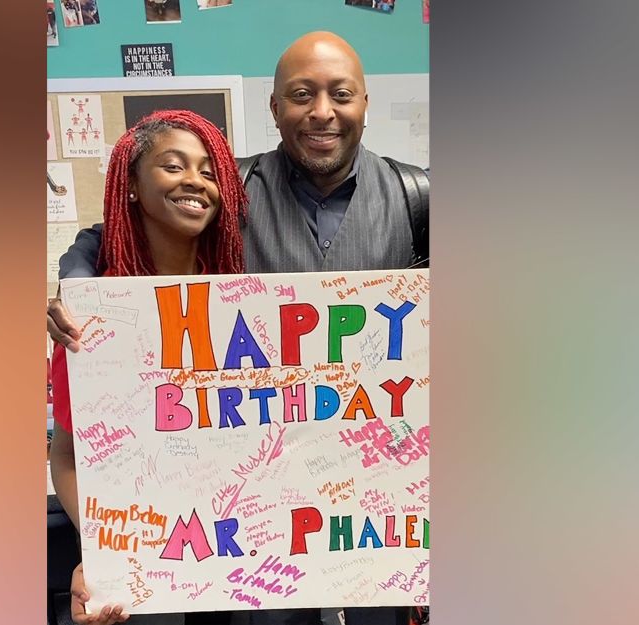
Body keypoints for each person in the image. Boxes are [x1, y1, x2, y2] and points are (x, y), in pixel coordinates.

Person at [49, 31, 424, 625]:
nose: (321, 111)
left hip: (372, 503)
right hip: (252, 511)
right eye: (301, 94)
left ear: (364, 103)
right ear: (275, 109)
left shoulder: (417, 196)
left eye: (340, 94)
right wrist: (77, 285)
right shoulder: (230, 188)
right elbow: (119, 227)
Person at [48, 109, 246, 625]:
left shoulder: (244, 299)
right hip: (141, 556)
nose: (194, 182)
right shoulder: (88, 314)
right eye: (173, 166)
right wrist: (99, 546)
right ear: (131, 186)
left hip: (240, 550)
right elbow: (68, 455)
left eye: (208, 171)